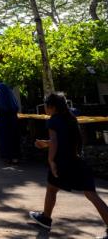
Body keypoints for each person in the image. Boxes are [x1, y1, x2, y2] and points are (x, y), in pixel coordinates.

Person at [29, 93, 108, 238]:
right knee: (91, 194)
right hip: (77, 161)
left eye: (46, 105)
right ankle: (45, 218)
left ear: (52, 107)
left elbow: (55, 141)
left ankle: (46, 219)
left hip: (62, 162)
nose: (45, 108)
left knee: (52, 188)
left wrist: (51, 161)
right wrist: (45, 143)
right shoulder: (71, 118)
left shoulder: (53, 121)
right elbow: (62, 140)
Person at [0, 82, 21, 163]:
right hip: (14, 122)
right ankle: (16, 157)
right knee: (14, 139)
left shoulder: (0, 98)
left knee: (5, 140)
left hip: (3, 123)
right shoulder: (12, 98)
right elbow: (16, 107)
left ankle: (7, 157)